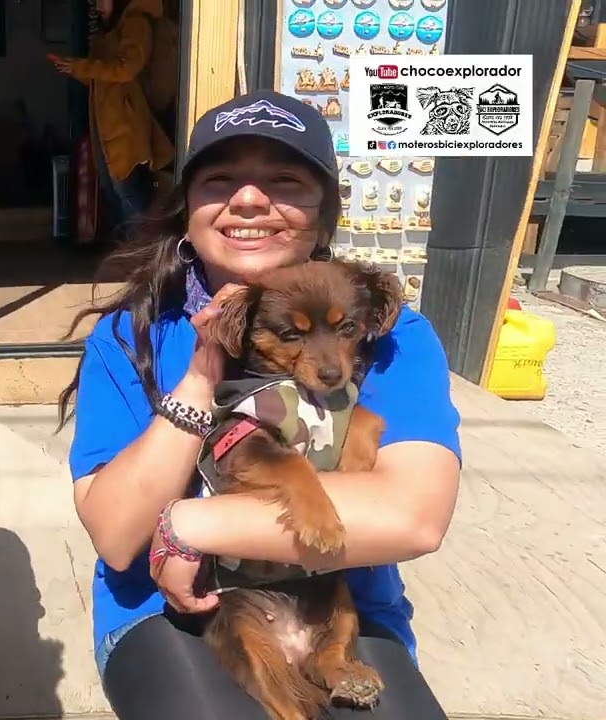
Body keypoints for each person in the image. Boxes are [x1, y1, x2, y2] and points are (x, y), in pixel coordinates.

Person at [56, 89, 462, 719]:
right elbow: (115, 535)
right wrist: (198, 379)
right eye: (220, 180)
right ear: (188, 209)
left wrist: (190, 523)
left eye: (285, 180)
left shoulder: (387, 334)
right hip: (174, 613)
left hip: (339, 601)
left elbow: (413, 517)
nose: (249, 199)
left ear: (324, 215)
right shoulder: (129, 336)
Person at [48, 0, 174, 232]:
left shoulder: (135, 23)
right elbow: (102, 78)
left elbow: (126, 69)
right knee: (115, 194)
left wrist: (82, 67)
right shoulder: (109, 30)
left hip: (127, 127)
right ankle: (129, 258)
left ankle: (140, 258)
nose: (97, 6)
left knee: (130, 195)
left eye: (101, 0)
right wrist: (74, 68)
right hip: (108, 128)